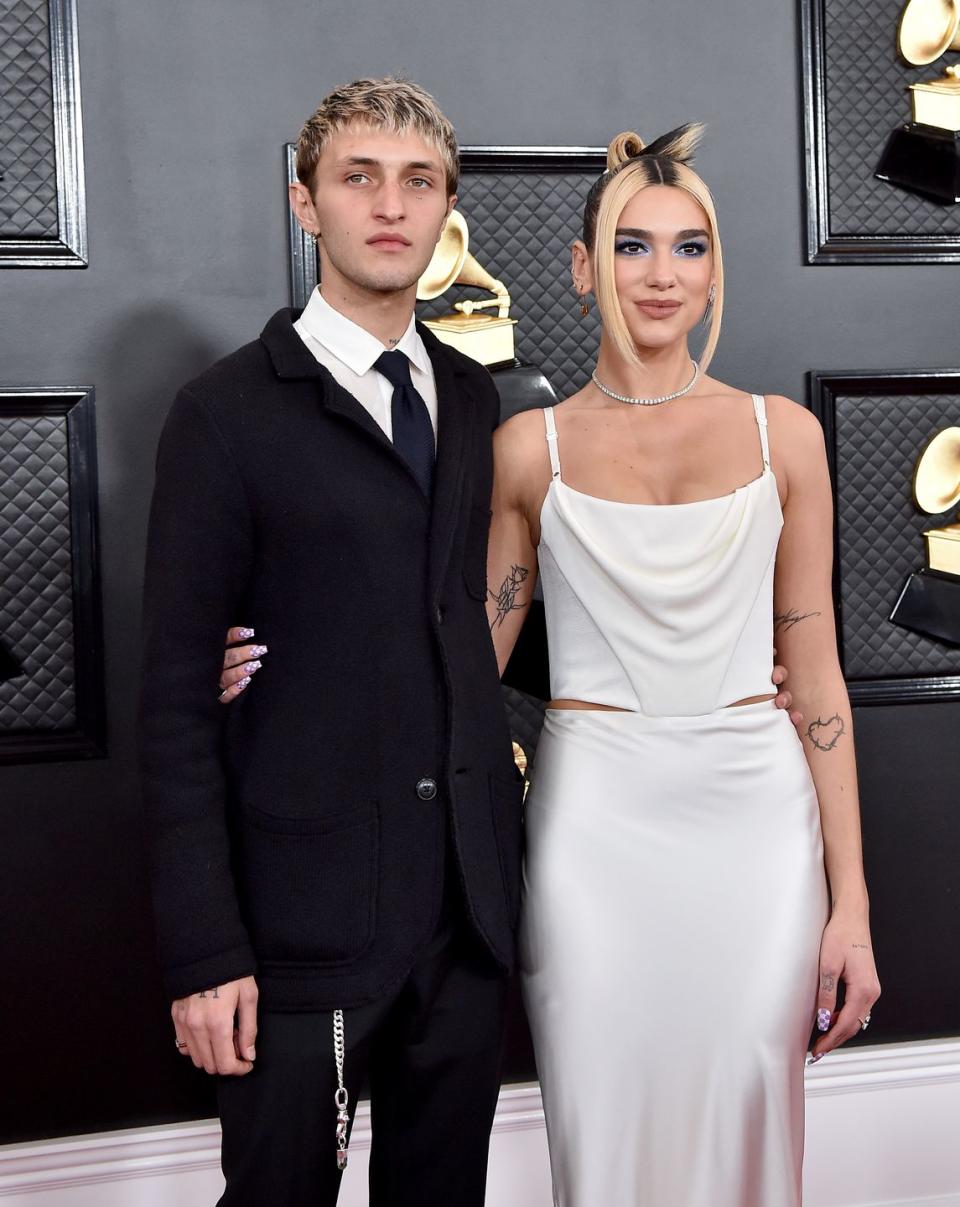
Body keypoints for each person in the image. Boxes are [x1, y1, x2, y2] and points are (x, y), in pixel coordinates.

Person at [138, 78, 526, 1207]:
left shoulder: (471, 397)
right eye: (360, 178)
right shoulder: (222, 413)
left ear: (447, 208)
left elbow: (469, 620)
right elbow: (170, 706)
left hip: (463, 914)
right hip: (298, 925)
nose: (389, 205)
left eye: (418, 183)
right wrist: (205, 952)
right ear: (306, 203)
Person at [480, 124, 882, 1205]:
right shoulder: (530, 450)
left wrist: (851, 907)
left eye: (690, 248)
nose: (662, 275)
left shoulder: (782, 436)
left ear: (714, 271)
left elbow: (822, 680)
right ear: (581, 268)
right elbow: (463, 662)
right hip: (592, 829)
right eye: (632, 246)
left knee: (751, 1123)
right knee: (605, 1128)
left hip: (756, 827)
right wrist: (275, 665)